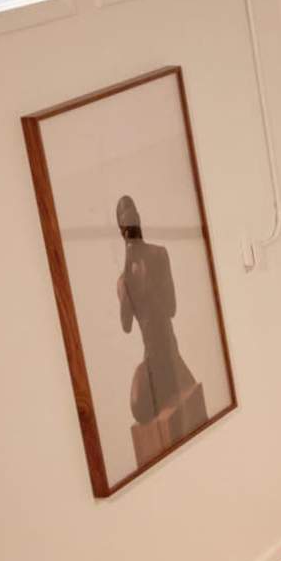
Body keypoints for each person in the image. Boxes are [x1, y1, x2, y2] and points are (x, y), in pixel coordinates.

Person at [113, 193, 207, 461]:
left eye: (132, 222)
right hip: (151, 356)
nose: (129, 231)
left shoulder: (158, 254)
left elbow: (172, 308)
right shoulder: (124, 277)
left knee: (188, 412)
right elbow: (126, 326)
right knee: (140, 410)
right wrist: (125, 295)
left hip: (168, 350)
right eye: (124, 226)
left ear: (139, 221)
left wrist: (148, 285)